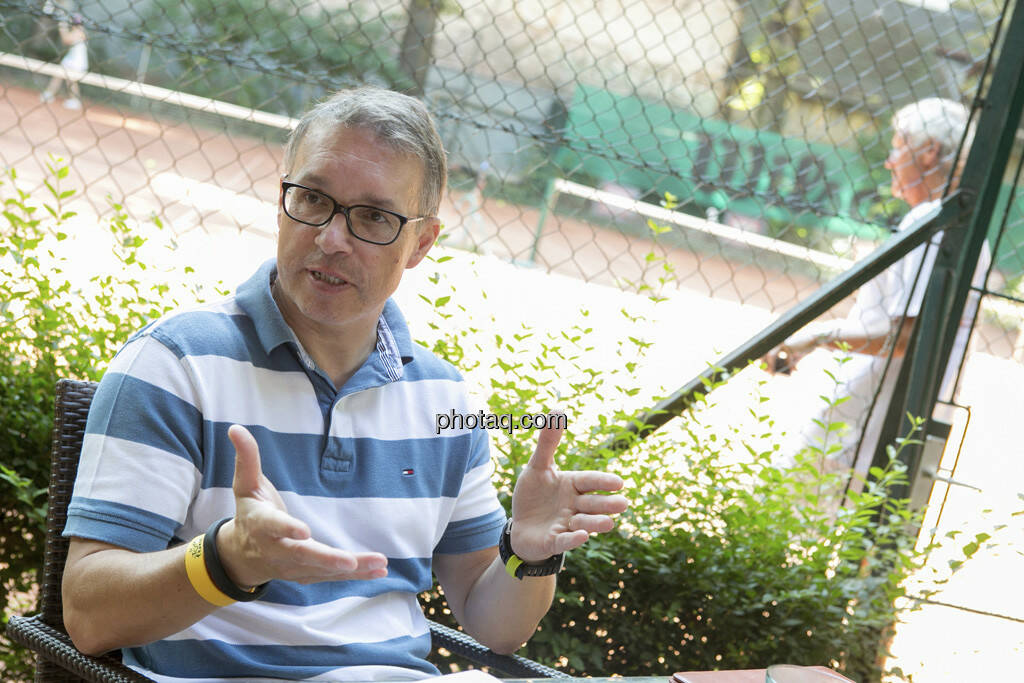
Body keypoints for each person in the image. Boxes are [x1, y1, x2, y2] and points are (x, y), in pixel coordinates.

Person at [61, 86, 629, 682]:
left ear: (422, 244)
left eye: (374, 217)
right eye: (312, 199)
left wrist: (527, 556)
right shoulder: (175, 364)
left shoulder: (445, 401)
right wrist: (228, 560)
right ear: (283, 201)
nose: (333, 238)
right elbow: (89, 616)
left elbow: (494, 626)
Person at [764, 97, 989, 480]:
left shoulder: (930, 221)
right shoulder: (959, 228)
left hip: (870, 413)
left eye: (898, 147)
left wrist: (815, 337)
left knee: (775, 506)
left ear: (929, 152)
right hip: (902, 414)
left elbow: (902, 338)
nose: (890, 161)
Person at [40, 11, 88, 110]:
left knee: (71, 81)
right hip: (72, 58)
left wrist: (62, 27)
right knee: (58, 75)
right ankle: (49, 93)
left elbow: (65, 40)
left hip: (77, 60)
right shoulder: (78, 31)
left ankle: (75, 100)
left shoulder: (79, 32)